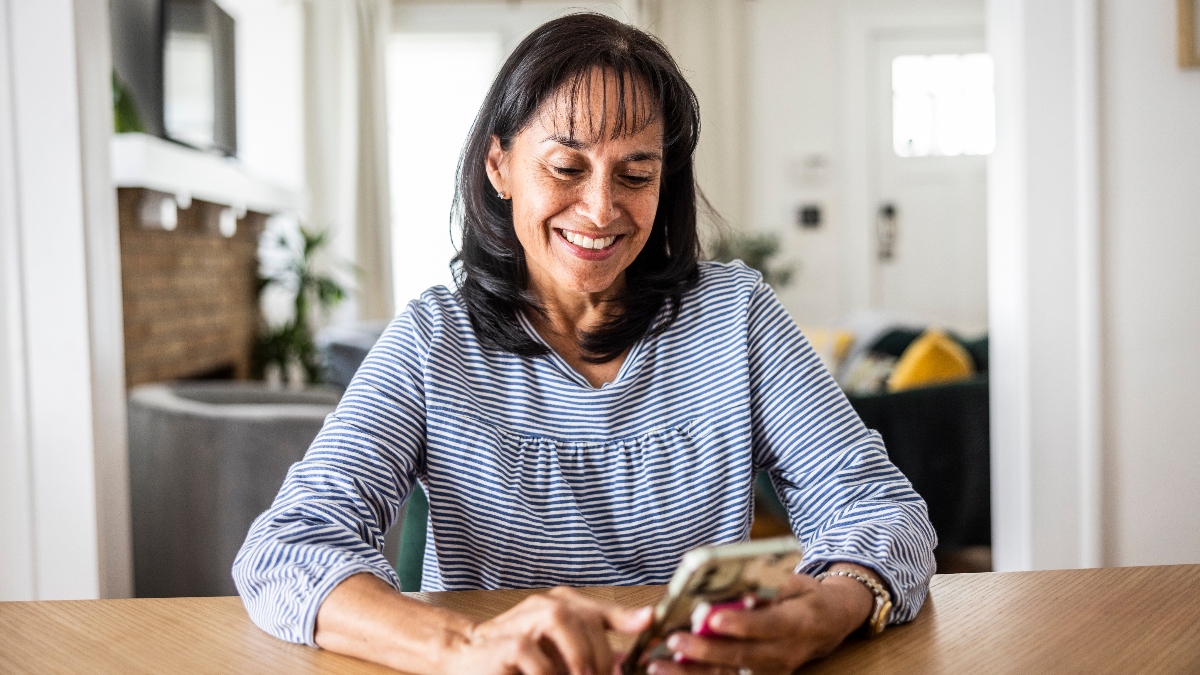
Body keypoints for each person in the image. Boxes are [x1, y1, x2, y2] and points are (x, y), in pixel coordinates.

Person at [234, 12, 936, 675]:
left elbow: (881, 511)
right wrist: (461, 645)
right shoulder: (432, 340)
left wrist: (836, 603)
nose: (602, 209)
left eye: (635, 175)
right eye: (567, 168)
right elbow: (286, 548)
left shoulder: (736, 317)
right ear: (500, 165)